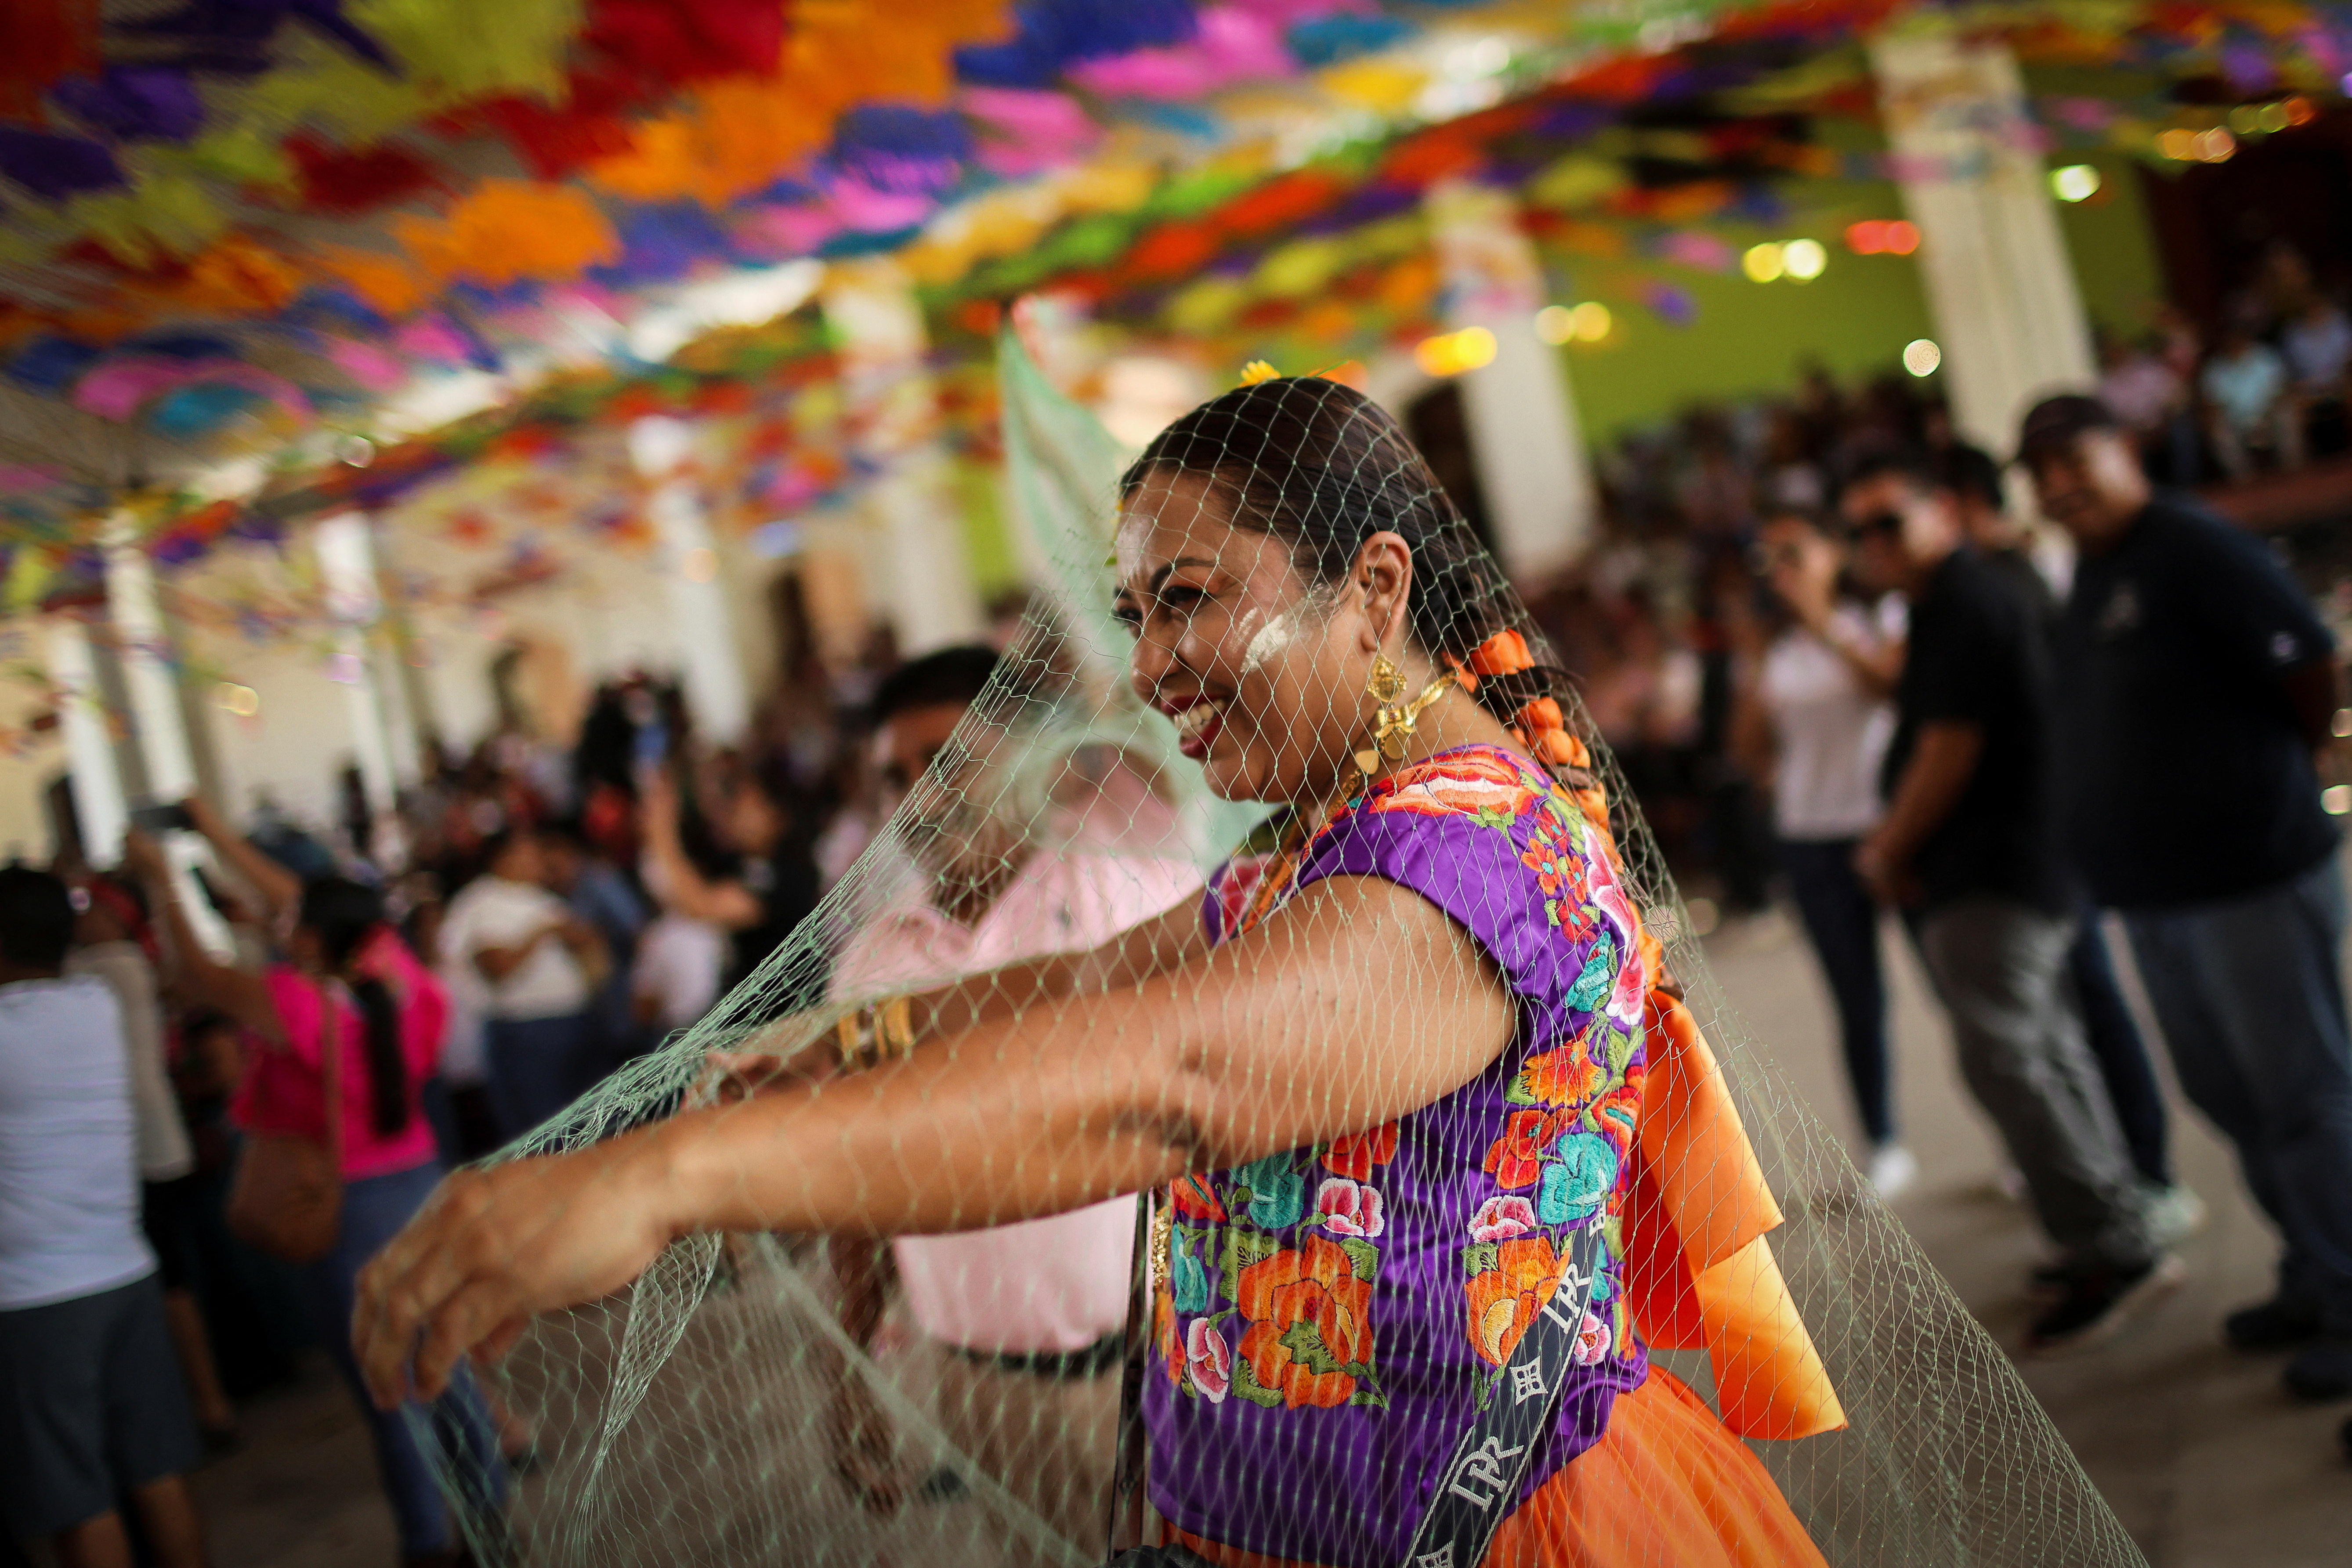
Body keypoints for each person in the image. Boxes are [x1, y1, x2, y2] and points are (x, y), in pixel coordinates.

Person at [356, 376, 1845, 1566]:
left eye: (1188, 599)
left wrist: (671, 1178)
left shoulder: (1472, 866)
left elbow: (1168, 1080)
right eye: (1135, 615)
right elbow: (1086, 991)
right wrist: (854, 1042)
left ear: (1373, 588)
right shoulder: (1314, 841)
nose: (1146, 667)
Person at [810, 644, 1201, 1547]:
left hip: (1156, 1359)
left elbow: (1209, 1099)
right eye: (895, 776)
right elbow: (857, 1176)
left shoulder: (1120, 889)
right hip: (978, 1383)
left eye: (946, 761)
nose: (921, 796)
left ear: (1025, 758)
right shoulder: (874, 963)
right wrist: (847, 1367)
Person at [2020, 393, 2352, 1401]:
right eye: (2038, 472)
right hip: (2156, 895)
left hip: (2245, 877)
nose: (2057, 486)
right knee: (2231, 1099)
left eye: (2074, 459)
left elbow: (2307, 664)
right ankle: (2312, 1271)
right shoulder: (2094, 571)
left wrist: (2274, 781)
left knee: (2301, 1097)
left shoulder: (2192, 547)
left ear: (2123, 451)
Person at [1841, 447, 2174, 1353]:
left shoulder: (1965, 599)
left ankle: (2112, 1246)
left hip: (1998, 867)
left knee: (2012, 1061)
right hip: (2013, 862)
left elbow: (1952, 745)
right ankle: (2113, 1229)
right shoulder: (1956, 597)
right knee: (2043, 1051)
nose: (1873, 542)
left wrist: (1888, 845)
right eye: (1859, 529)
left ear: (1941, 512)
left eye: (1889, 520)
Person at [124, 838, 505, 1567]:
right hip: (422, 1187)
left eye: (294, 919)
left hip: (350, 1206)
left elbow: (191, 974)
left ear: (309, 936)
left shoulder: (293, 1003)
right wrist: (212, 829)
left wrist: (162, 879)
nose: (280, 922)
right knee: (446, 1364)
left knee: (387, 1382)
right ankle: (489, 1524)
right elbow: (331, 911)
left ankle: (427, 1544)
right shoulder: (407, 983)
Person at [1939, 445, 2189, 1220]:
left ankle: (2144, 1178)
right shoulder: (1999, 584)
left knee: (2089, 1007)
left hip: (2048, 832)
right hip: (2052, 827)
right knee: (2073, 1017)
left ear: (1954, 507)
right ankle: (2128, 1177)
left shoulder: (2004, 587)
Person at [0, 866, 210, 1568]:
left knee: (76, 1498)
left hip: (37, 1300)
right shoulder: (96, 1001)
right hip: (125, 1269)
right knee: (155, 1468)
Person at [1731, 510, 1913, 1197]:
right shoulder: (1776, 652)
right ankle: (1884, 1140)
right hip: (1811, 835)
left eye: (1794, 553)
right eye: (1771, 560)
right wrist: (1752, 657)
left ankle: (2016, 1138)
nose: (1782, 571)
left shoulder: (1879, 618)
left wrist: (1822, 621)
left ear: (1834, 553)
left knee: (1951, 982)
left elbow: (1887, 688)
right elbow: (1748, 750)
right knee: (1854, 997)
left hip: (1892, 825)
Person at [62, 875, 238, 1449]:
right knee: (179, 1276)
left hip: (143, 1149)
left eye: (94, 907)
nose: (82, 916)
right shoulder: (127, 965)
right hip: (156, 1143)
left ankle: (205, 1405)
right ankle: (210, 1399)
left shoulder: (108, 966)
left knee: (169, 1284)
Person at [439, 829, 608, 1140]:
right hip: (528, 1029)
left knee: (585, 1123)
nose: (537, 860)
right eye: (528, 853)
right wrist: (543, 932)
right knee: (545, 1129)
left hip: (574, 1022)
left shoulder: (543, 897)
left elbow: (592, 944)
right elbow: (498, 967)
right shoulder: (484, 900)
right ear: (502, 860)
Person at [639, 758, 823, 1005]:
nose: (735, 814)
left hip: (782, 1018)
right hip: (742, 1012)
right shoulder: (741, 862)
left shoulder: (789, 875)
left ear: (778, 815)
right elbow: (681, 896)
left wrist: (661, 828)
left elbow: (702, 904)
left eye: (747, 806)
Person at [2200, 321, 2298, 477]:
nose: (2234, 344)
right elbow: (2213, 406)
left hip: (2268, 415)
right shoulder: (2216, 369)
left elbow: (2282, 391)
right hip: (2237, 422)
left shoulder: (2265, 358)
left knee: (2287, 414)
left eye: (2237, 340)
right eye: (2230, 341)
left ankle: (2295, 472)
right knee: (2219, 430)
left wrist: (2265, 419)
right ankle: (2245, 480)